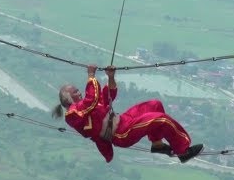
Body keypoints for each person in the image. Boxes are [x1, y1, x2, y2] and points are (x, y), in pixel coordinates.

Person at [52, 64, 204, 163]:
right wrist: (91, 75)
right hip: (120, 133)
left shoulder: (84, 106)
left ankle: (157, 144)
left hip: (122, 120)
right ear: (67, 98)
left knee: (154, 105)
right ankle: (182, 152)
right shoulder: (72, 114)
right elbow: (92, 99)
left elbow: (107, 96)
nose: (79, 93)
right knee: (161, 120)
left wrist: (111, 77)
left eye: (78, 90)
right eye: (75, 92)